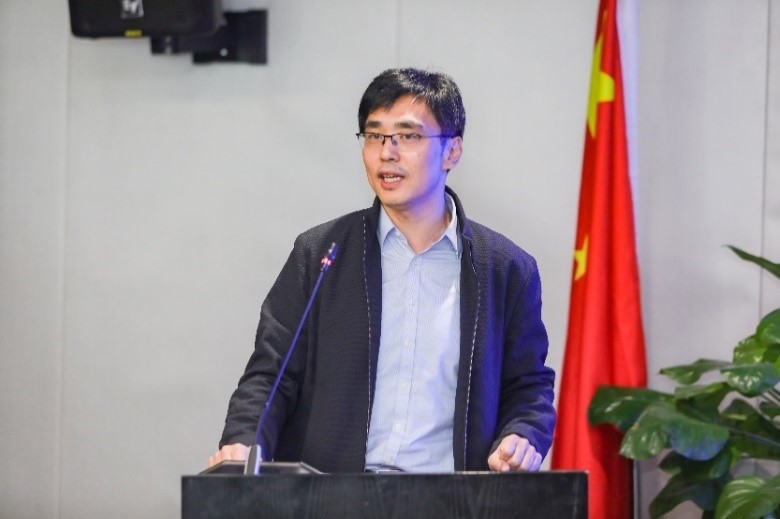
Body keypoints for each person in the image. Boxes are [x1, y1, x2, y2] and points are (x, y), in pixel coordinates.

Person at [208, 68, 556, 473]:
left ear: (452, 151)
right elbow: (271, 375)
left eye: (408, 136)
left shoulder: (505, 269)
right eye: (374, 136)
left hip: (449, 497)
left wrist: (523, 434)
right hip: (329, 493)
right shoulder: (321, 253)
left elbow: (527, 386)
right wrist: (243, 442)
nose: (387, 153)